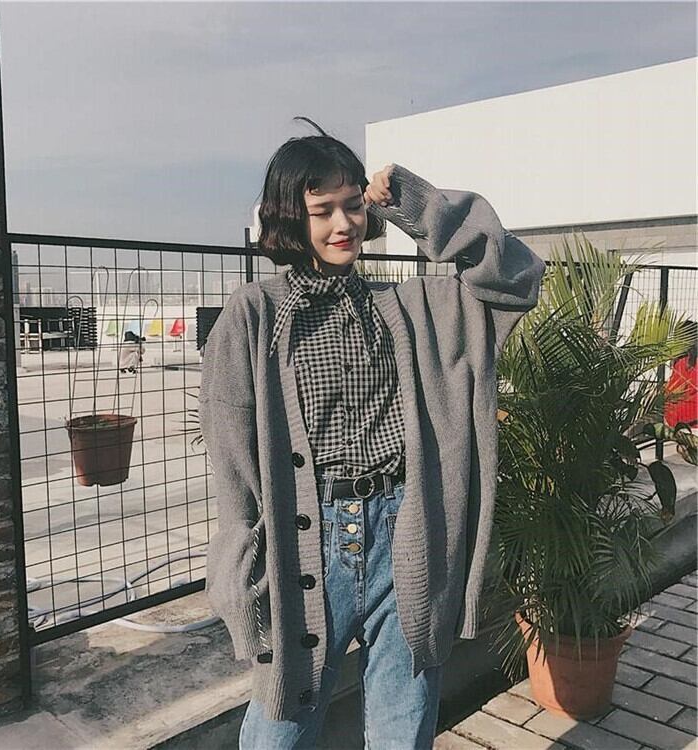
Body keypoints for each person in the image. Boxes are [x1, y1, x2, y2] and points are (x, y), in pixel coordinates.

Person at [197, 117, 546, 749]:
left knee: (402, 727)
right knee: (279, 729)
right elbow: (233, 466)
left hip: (407, 533)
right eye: (322, 210)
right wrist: (243, 580)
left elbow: (515, 278)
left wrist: (417, 205)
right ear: (289, 218)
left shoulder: (415, 307)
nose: (344, 224)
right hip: (306, 546)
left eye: (352, 205)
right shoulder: (254, 315)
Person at [664, 319, 698, 428]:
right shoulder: (690, 362)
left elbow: (671, 392)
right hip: (690, 416)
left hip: (680, 417)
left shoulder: (682, 363)